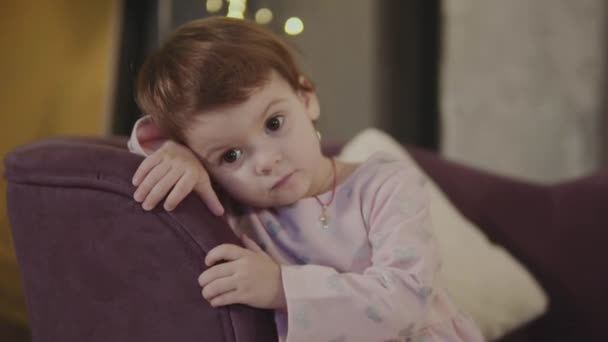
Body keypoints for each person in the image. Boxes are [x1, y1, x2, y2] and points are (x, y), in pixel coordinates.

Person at [128, 16, 483, 342]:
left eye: (274, 123)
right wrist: (177, 155)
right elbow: (139, 157)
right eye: (230, 155)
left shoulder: (385, 184)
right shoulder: (239, 208)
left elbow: (406, 300)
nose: (266, 161)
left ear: (306, 97)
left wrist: (281, 288)